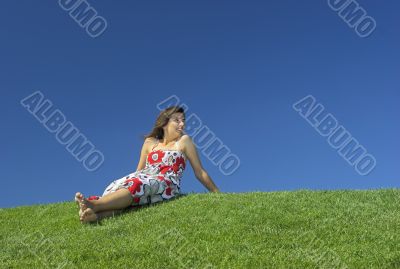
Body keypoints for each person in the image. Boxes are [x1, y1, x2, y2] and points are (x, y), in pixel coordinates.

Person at [75, 106, 220, 223]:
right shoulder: (150, 143)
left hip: (166, 183)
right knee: (130, 193)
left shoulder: (184, 141)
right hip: (145, 178)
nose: (182, 124)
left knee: (137, 186)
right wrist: (130, 182)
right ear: (165, 123)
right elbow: (138, 171)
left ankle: (94, 205)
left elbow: (199, 172)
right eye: (177, 120)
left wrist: (218, 195)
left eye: (183, 120)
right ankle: (93, 216)